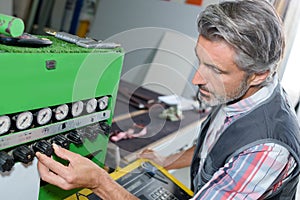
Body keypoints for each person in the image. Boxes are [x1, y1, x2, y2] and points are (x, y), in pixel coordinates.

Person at [36, 0, 300, 199]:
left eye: (216, 70)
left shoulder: (266, 150)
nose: (197, 79)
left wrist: (99, 182)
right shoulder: (242, 91)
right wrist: (165, 161)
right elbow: (213, 145)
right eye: (201, 61)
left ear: (258, 74)